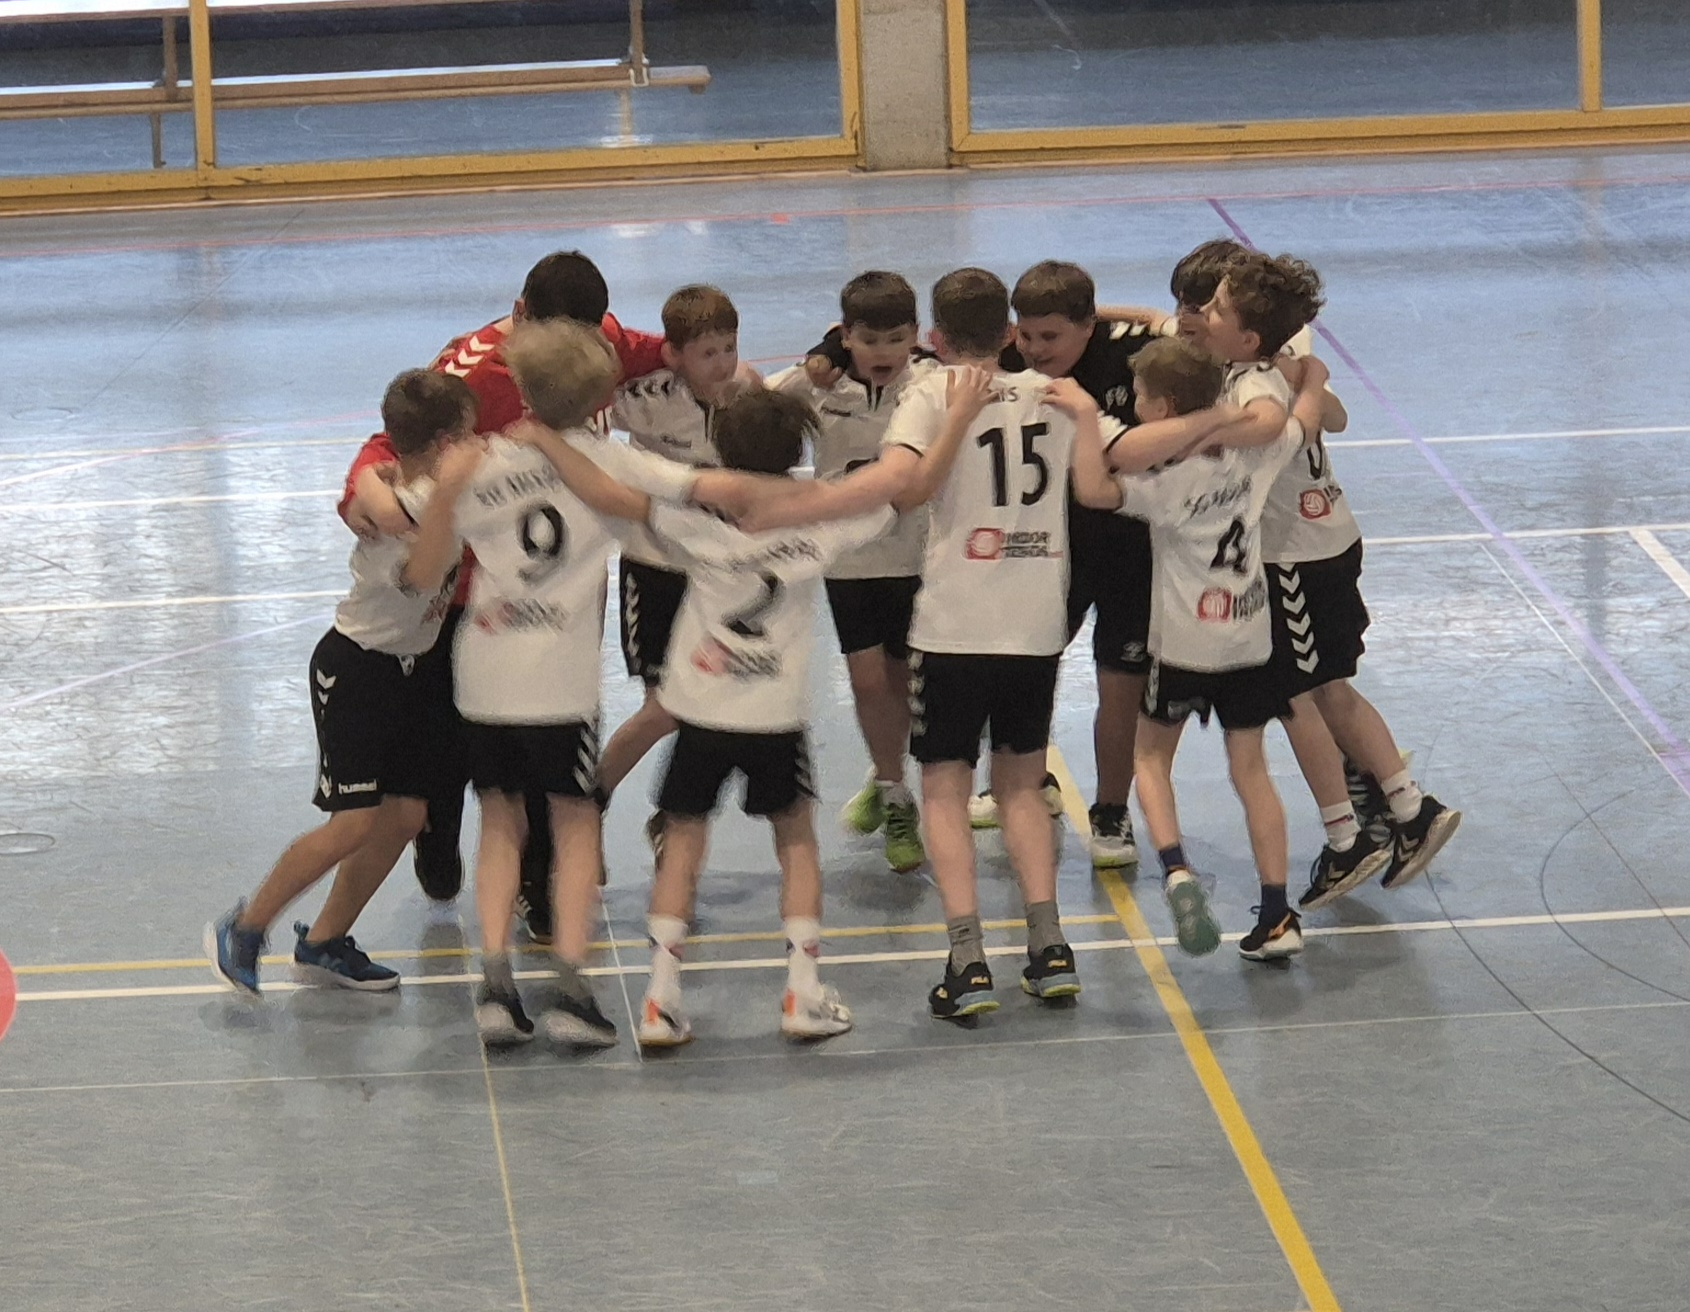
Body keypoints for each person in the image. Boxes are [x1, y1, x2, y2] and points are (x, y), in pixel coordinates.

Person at [717, 270, 1228, 1020]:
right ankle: (1050, 949)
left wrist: (793, 506)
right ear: (1011, 332)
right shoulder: (1058, 395)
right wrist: (1225, 420)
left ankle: (967, 960)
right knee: (1022, 787)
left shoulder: (932, 393)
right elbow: (1125, 458)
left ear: (937, 337)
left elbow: (903, 484)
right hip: (1036, 624)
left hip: (956, 624)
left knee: (945, 790)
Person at [517, 389, 895, 1045]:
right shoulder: (824, 521)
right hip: (774, 718)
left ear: (720, 449)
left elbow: (613, 495)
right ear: (797, 451)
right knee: (796, 842)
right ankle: (802, 995)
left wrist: (550, 438)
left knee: (684, 842)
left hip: (700, 711)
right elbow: (899, 492)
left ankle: (661, 1001)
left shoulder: (696, 520)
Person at [341, 250, 668, 941]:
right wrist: (362, 491)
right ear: (520, 316)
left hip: (565, 593)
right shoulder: (474, 373)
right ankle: (438, 827)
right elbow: (391, 444)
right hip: (471, 589)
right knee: (463, 743)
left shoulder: (602, 340)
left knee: (551, 748)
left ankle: (538, 884)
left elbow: (667, 350)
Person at [403, 319, 705, 1046]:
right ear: (601, 396)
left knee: (499, 820)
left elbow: (421, 567)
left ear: (520, 387)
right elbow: (688, 494)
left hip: (485, 673)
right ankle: (571, 985)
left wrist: (430, 491)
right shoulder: (609, 461)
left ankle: (495, 986)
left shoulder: (476, 463)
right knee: (573, 823)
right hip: (560, 681)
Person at [205, 371, 475, 996]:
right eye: (466, 436)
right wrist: (440, 495)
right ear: (444, 443)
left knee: (406, 814)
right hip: (356, 668)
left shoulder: (408, 488)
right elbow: (422, 572)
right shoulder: (397, 510)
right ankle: (244, 928)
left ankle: (325, 942)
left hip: (408, 667)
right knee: (352, 822)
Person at [1076, 334, 1338, 961]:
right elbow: (1304, 422)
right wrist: (1312, 379)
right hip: (1248, 639)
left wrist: (1085, 420)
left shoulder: (1165, 481)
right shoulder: (1255, 456)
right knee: (1252, 771)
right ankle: (1277, 914)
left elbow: (1093, 490)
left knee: (1149, 759)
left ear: (1162, 408)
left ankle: (1177, 872)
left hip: (1184, 645)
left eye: (1139, 395)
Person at [767, 270, 935, 874]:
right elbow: (754, 405)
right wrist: (816, 359)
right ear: (845, 336)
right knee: (867, 683)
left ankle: (884, 771)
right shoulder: (819, 385)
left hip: (919, 556)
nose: (883, 351)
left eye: (896, 338)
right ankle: (895, 793)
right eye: (868, 340)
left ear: (916, 334)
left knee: (905, 682)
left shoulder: (931, 383)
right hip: (850, 563)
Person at [596, 284, 752, 859]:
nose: (723, 363)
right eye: (708, 353)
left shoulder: (749, 394)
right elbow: (580, 415)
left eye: (729, 348)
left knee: (718, 708)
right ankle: (586, 804)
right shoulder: (644, 399)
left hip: (718, 577)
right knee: (664, 709)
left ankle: (672, 815)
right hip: (655, 570)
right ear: (673, 355)